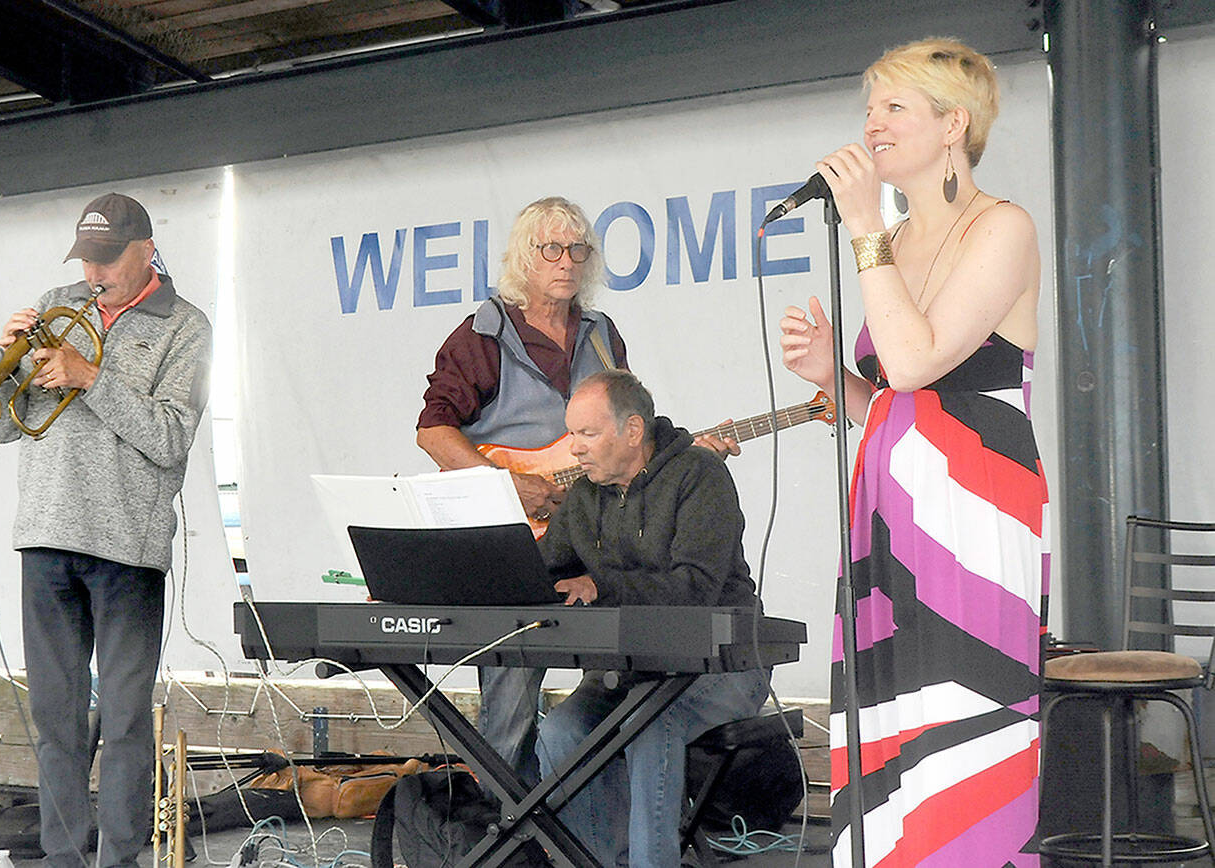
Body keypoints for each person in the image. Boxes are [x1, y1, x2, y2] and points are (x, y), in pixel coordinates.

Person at [779, 39, 1047, 866]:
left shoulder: (1001, 226)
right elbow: (893, 397)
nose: (872, 125)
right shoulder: (890, 244)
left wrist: (863, 227)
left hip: (975, 501)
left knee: (964, 712)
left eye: (894, 108)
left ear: (953, 124)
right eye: (870, 109)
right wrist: (834, 375)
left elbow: (921, 362)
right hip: (890, 500)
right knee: (888, 713)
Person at [416, 196, 739, 784]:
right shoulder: (483, 333)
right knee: (511, 688)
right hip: (509, 522)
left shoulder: (601, 334)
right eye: (551, 249)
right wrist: (507, 484)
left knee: (607, 684)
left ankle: (571, 823)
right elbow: (432, 432)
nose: (566, 261)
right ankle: (505, 824)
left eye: (577, 250)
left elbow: (630, 422)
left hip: (585, 519)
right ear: (524, 257)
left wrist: (683, 452)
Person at [0, 192, 212, 868]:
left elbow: (171, 437)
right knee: (56, 724)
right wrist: (3, 361)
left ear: (146, 249)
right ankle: (63, 859)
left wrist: (92, 377)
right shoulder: (58, 300)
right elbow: (2, 426)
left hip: (127, 550)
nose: (93, 275)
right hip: (46, 537)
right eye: (86, 259)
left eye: (108, 259)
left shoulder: (186, 327)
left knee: (122, 722)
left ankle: (119, 859)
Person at [532, 370, 770, 868]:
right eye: (572, 433)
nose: (574, 448)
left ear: (633, 430)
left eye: (587, 434)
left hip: (722, 667)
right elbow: (544, 572)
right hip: (629, 670)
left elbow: (694, 589)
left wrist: (601, 587)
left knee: (649, 723)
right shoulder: (583, 496)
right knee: (560, 732)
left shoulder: (700, 476)